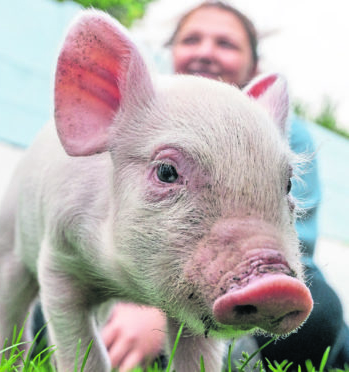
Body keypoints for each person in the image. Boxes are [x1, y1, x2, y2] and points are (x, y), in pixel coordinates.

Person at [100, 2, 349, 371]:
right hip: (139, 271)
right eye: (192, 39)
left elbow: (295, 246)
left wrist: (158, 309)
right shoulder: (137, 120)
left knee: (321, 317)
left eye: (226, 44)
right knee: (52, 293)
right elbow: (101, 224)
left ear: (255, 68)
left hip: (247, 274)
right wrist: (142, 297)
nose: (205, 52)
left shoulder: (284, 131)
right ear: (172, 56)